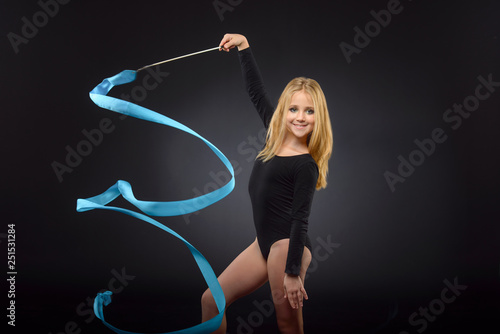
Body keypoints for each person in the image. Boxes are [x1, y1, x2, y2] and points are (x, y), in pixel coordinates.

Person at [201, 33, 333, 334]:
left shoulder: (306, 165)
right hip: (263, 243)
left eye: (309, 111)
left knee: (288, 323)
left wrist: (291, 272)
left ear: (318, 117)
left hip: (287, 247)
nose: (300, 117)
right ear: (284, 112)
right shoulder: (275, 137)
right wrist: (244, 45)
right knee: (211, 301)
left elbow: (300, 219)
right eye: (294, 109)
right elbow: (256, 92)